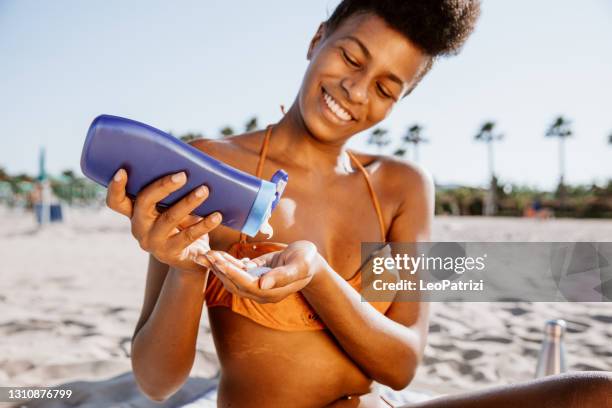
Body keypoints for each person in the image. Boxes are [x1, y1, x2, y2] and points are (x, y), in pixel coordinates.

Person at [105, 1, 611, 406]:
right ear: (317, 37)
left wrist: (318, 276)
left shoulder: (398, 187)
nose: (355, 89)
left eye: (387, 88)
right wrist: (189, 266)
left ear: (400, 101)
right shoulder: (211, 170)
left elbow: (400, 365)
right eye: (350, 57)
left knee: (597, 392)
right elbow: (157, 382)